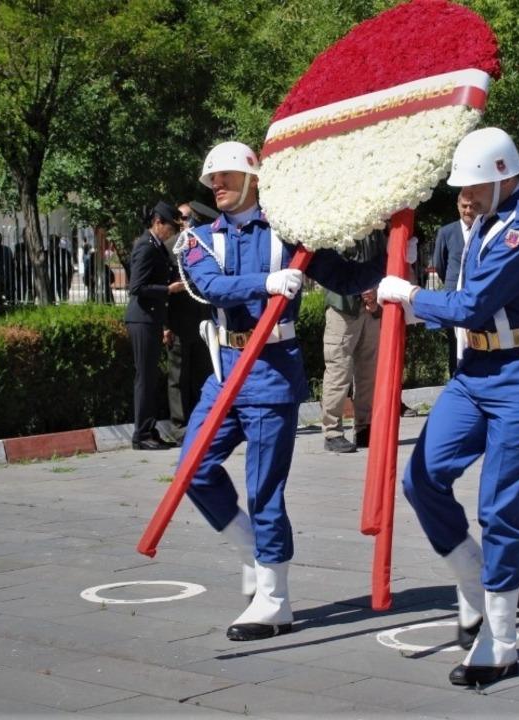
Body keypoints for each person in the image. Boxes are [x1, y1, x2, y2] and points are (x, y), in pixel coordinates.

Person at [376, 127, 519, 686]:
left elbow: (473, 303)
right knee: (421, 478)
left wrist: (409, 296)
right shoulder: (486, 223)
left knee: (499, 508)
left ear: (506, 176)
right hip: (476, 372)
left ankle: (502, 640)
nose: (469, 194)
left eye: (478, 184)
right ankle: (471, 576)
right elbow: (463, 304)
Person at [177, 141, 384, 643]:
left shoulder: (293, 235)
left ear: (253, 180)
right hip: (225, 369)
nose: (217, 186)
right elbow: (207, 288)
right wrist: (268, 281)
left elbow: (348, 276)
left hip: (272, 372)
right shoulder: (198, 240)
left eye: (226, 176)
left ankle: (275, 599)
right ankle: (250, 548)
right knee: (192, 469)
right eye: (213, 180)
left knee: (264, 489)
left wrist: (387, 237)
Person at [125, 201, 185, 451]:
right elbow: (136, 287)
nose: (172, 231)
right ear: (158, 222)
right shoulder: (145, 247)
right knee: (145, 378)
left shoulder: (156, 246)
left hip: (151, 319)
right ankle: (141, 434)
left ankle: (148, 429)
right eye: (170, 226)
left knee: (149, 378)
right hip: (142, 318)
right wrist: (167, 290)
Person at [320, 230, 386, 452]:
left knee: (368, 370)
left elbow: (381, 258)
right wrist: (364, 287)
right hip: (343, 307)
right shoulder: (340, 220)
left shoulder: (376, 226)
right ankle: (332, 431)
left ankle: (364, 427)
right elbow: (337, 261)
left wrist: (375, 290)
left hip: (371, 305)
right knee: (339, 370)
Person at [163, 204, 212, 445]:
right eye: (182, 218)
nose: (185, 221)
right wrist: (165, 326)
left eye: (189, 217)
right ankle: (179, 426)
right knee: (178, 376)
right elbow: (162, 289)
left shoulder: (203, 243)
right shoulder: (170, 246)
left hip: (202, 319)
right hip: (179, 321)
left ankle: (202, 421)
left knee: (202, 374)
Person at [432, 195, 477, 376]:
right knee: (454, 345)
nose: (467, 210)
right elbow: (440, 263)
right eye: (464, 206)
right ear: (458, 206)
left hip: (478, 296)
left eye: (471, 206)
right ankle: (455, 379)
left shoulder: (484, 229)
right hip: (454, 298)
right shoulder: (447, 232)